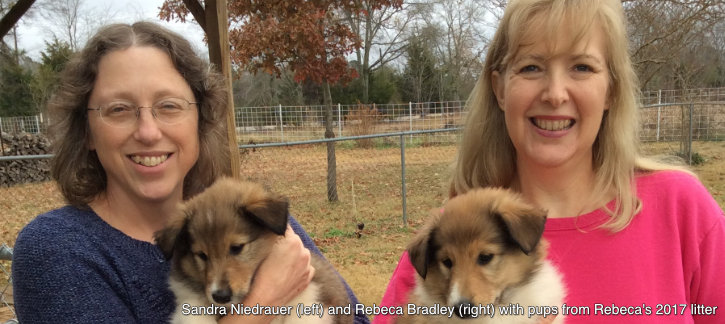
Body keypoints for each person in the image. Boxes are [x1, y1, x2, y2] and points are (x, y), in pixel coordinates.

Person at [374, 0, 725, 323]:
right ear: (499, 89)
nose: (555, 94)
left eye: (582, 67)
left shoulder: (682, 210)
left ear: (611, 91)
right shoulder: (446, 237)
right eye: (531, 67)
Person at [12, 22, 369, 324]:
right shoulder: (57, 249)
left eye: (169, 106)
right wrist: (262, 304)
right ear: (86, 130)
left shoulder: (257, 221)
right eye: (119, 109)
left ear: (200, 120)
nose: (148, 132)